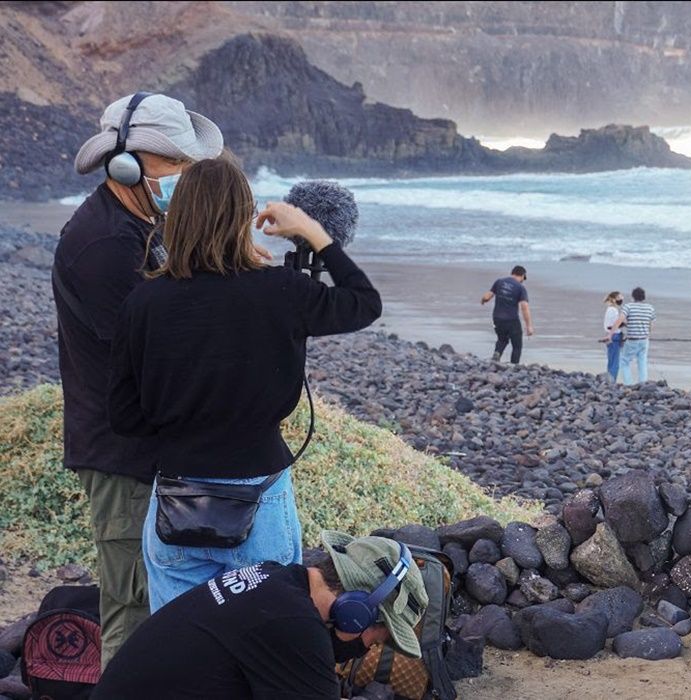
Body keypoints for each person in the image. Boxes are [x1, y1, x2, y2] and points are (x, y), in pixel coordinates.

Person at [107, 158, 382, 610]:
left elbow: (124, 417)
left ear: (177, 218)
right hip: (259, 491)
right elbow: (364, 303)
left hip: (176, 494)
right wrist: (314, 233)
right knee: (263, 640)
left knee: (182, 645)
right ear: (242, 219)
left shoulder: (143, 301)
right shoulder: (281, 289)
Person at [53, 92, 224, 666]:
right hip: (122, 453)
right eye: (178, 166)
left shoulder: (144, 223)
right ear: (127, 164)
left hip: (156, 445)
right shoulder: (105, 245)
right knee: (133, 602)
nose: (187, 178)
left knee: (173, 601)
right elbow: (155, 354)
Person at [93, 530, 428, 699]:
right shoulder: (295, 627)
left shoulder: (277, 580)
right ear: (358, 612)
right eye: (377, 638)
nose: (369, 649)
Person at [481, 265, 533, 364]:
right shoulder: (520, 288)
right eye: (523, 278)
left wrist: (482, 300)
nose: (523, 280)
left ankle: (496, 355)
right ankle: (514, 366)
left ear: (512, 273)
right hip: (511, 320)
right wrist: (529, 326)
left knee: (502, 339)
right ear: (522, 276)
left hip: (497, 318)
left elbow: (487, 297)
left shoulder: (499, 282)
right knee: (517, 345)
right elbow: (524, 307)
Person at [612, 286, 656, 384]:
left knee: (624, 361)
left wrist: (610, 334)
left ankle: (628, 384)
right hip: (645, 339)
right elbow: (651, 325)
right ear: (644, 297)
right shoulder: (650, 308)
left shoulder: (628, 306)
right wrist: (647, 334)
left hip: (632, 339)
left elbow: (620, 320)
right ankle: (643, 383)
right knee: (642, 361)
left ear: (633, 297)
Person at [601, 291, 624, 381]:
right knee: (615, 361)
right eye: (619, 298)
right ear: (614, 299)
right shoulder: (613, 310)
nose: (621, 299)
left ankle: (609, 379)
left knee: (611, 359)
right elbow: (614, 325)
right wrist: (624, 324)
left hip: (610, 334)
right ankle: (612, 380)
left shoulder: (610, 309)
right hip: (614, 336)